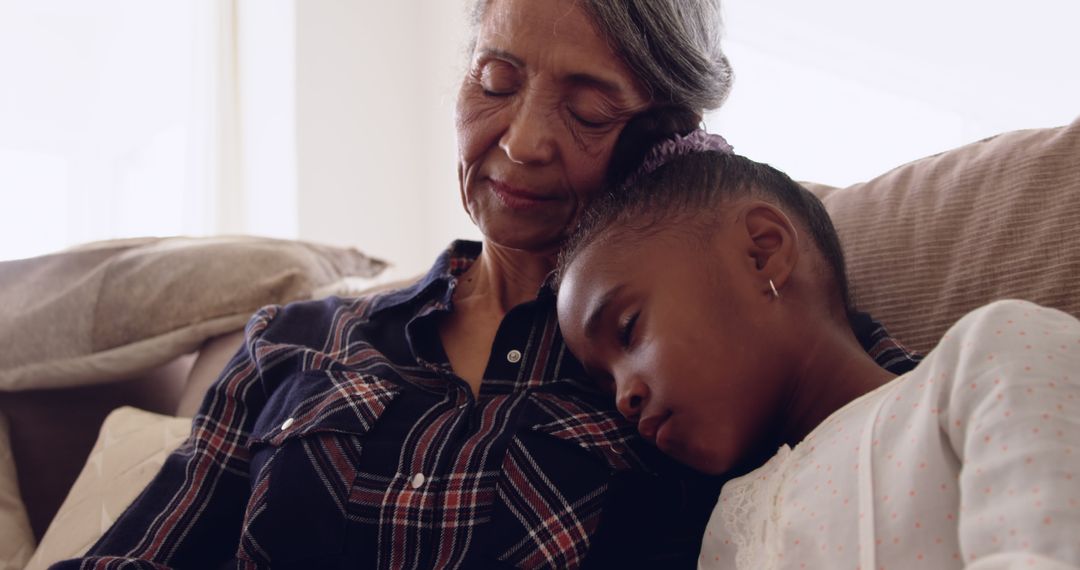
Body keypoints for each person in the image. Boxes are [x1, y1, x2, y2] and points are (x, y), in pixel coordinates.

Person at [53, 1, 918, 568]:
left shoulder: (707, 341)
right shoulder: (296, 340)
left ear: (664, 133)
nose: (523, 142)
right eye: (496, 80)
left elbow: (907, 430)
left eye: (586, 112)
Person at [554, 132, 1080, 569]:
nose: (623, 398)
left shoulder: (990, 353)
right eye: (606, 381)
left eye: (628, 329)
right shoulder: (728, 526)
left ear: (762, 253)